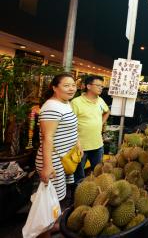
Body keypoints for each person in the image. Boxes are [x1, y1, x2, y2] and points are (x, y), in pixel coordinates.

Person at [35, 73, 81, 237]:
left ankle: (53, 225)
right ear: (54, 88)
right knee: (47, 201)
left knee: (56, 197)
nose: (71, 88)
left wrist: (77, 144)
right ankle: (43, 232)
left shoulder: (65, 103)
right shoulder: (51, 107)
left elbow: (70, 127)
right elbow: (47, 138)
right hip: (52, 160)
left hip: (63, 158)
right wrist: (47, 166)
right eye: (66, 85)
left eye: (73, 85)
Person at [72, 75, 110, 183]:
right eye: (98, 85)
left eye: (102, 86)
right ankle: (76, 198)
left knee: (98, 173)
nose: (101, 88)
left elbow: (107, 111)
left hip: (98, 145)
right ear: (88, 86)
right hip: (81, 146)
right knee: (78, 176)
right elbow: (70, 124)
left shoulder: (100, 100)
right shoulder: (76, 102)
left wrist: (101, 123)